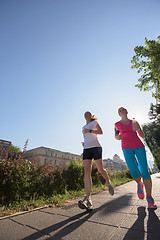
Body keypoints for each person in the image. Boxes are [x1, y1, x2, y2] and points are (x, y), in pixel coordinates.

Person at [114, 107, 157, 209]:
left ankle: (149, 198)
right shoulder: (117, 125)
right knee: (133, 171)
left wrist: (138, 128)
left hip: (139, 146)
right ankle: (139, 184)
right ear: (118, 114)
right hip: (126, 148)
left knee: (144, 171)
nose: (121, 111)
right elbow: (116, 136)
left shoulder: (134, 121)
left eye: (123, 110)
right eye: (119, 111)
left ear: (126, 112)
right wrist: (118, 137)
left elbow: (142, 135)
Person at [78, 111, 114, 211]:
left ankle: (108, 182)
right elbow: (86, 137)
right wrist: (84, 143)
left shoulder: (93, 124)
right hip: (86, 149)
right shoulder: (83, 127)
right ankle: (88, 199)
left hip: (96, 148)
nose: (85, 115)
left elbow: (100, 131)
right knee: (86, 172)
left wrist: (89, 131)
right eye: (84, 114)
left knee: (100, 169)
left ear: (91, 116)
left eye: (87, 113)